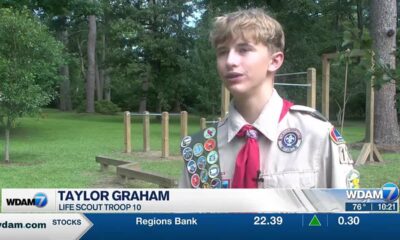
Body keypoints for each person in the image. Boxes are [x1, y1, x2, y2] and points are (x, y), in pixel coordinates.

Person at [179, 8, 358, 189]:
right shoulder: (201, 150)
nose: (230, 61)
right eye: (222, 52)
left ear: (275, 61)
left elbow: (347, 212)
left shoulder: (317, 136)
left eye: (244, 50)